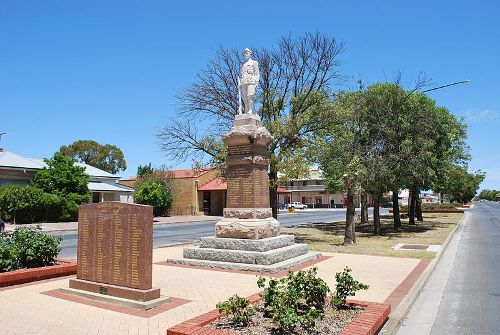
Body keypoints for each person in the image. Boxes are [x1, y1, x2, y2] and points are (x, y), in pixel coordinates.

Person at [239, 48, 259, 114]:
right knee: (244, 98)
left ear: (250, 54)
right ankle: (247, 110)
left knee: (250, 96)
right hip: (243, 82)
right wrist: (240, 84)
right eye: (244, 54)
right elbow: (241, 75)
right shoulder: (243, 65)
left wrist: (256, 82)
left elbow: (256, 73)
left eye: (247, 53)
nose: (245, 55)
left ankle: (251, 110)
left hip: (251, 81)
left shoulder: (254, 63)